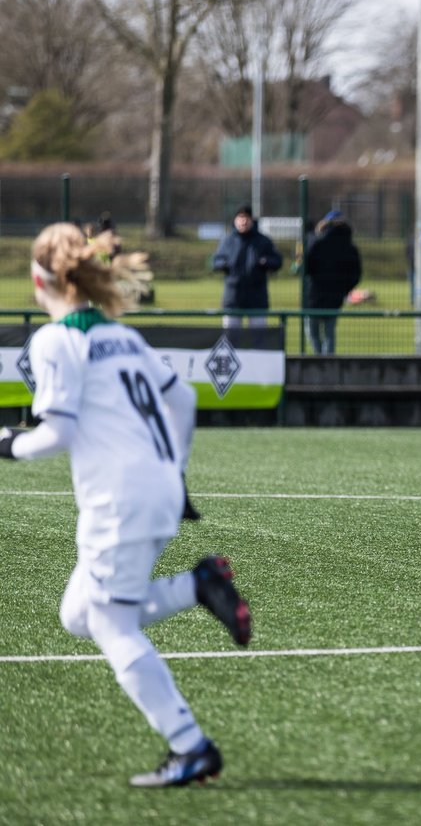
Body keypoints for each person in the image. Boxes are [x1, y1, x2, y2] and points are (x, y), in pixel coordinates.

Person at [0, 222, 251, 787]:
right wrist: (176, 470)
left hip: (118, 499)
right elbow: (183, 398)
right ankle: (198, 585)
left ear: (38, 279)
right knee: (77, 615)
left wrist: (5, 443)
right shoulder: (122, 336)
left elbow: (54, 434)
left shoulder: (55, 340)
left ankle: (192, 748)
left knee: (112, 627)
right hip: (158, 487)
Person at [211, 204, 282, 329]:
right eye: (240, 217)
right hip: (232, 298)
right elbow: (215, 261)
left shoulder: (263, 241)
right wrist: (223, 265)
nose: (243, 221)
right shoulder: (227, 241)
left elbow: (277, 261)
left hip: (257, 298)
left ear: (252, 220)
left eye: (247, 217)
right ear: (235, 220)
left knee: (258, 340)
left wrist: (266, 262)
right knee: (231, 339)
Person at [302, 210, 363, 355]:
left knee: (312, 332)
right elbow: (356, 274)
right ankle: (328, 361)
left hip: (314, 295)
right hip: (336, 296)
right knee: (329, 333)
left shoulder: (317, 243)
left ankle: (320, 358)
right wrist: (345, 289)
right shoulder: (350, 248)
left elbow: (306, 267)